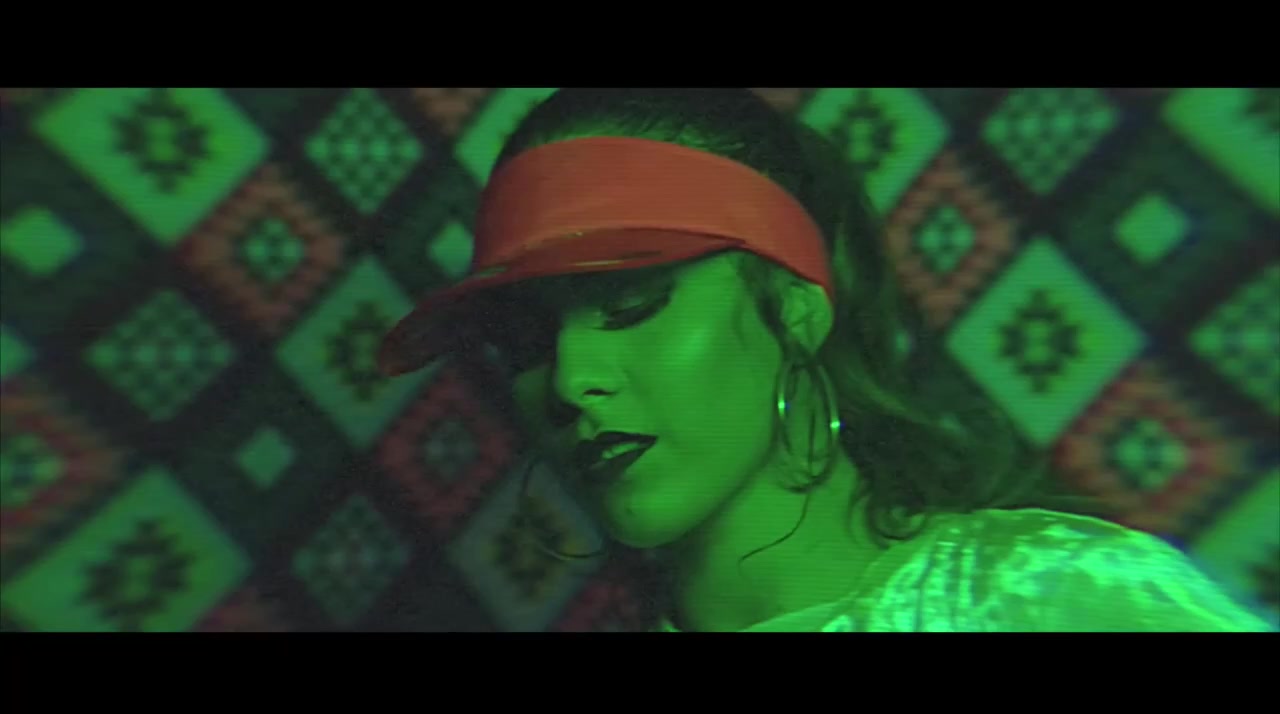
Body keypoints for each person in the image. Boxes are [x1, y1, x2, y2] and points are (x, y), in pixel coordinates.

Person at [378, 88, 1273, 632]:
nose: (574, 381)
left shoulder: (1051, 598)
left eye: (633, 305)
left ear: (795, 308)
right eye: (526, 341)